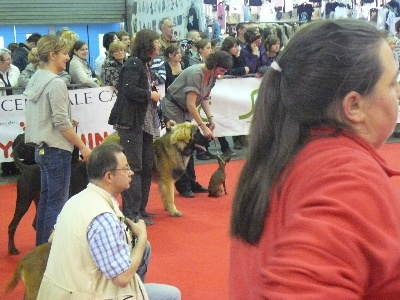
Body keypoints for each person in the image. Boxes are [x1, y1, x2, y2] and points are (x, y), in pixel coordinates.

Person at [229, 19, 400, 298]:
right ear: (354, 106)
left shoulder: (285, 157)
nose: (398, 93)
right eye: (392, 83)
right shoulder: (349, 178)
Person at [36, 142, 181, 300]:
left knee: (143, 250)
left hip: (60, 292)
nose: (131, 172)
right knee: (172, 295)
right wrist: (142, 236)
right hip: (88, 295)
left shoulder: (74, 201)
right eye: (126, 168)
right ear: (109, 176)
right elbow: (122, 278)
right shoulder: (103, 217)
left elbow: (52, 237)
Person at [24, 35, 91, 246]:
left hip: (41, 150)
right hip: (56, 150)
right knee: (56, 204)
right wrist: (82, 146)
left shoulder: (36, 78)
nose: (67, 58)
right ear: (52, 55)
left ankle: (42, 248)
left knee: (46, 201)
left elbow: (48, 115)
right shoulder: (55, 84)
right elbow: (62, 124)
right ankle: (50, 254)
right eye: (64, 53)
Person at [108, 29, 162, 226]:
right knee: (135, 168)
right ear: (148, 45)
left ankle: (140, 209)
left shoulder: (144, 65)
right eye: (156, 42)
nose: (159, 46)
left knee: (146, 166)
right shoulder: (133, 64)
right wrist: (150, 95)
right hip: (130, 122)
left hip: (143, 123)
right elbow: (128, 89)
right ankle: (131, 213)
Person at [161, 50, 233, 198]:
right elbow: (191, 104)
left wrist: (211, 118)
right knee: (179, 148)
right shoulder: (196, 74)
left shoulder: (212, 76)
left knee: (189, 146)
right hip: (173, 107)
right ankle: (183, 185)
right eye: (222, 69)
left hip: (184, 109)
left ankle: (191, 182)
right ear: (214, 65)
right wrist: (203, 126)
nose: (223, 73)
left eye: (225, 71)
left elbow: (205, 98)